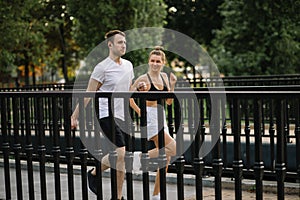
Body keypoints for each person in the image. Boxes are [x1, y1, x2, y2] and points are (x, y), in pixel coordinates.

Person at [71, 30, 134, 200]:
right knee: (120, 153)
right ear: (110, 44)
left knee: (122, 156)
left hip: (122, 114)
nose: (123, 45)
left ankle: (116, 194)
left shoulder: (128, 65)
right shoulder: (102, 67)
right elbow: (89, 93)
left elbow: (128, 90)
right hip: (106, 113)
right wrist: (74, 116)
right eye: (120, 42)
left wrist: (139, 87)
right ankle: (96, 175)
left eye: (125, 42)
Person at [130, 46, 177, 200]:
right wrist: (140, 112)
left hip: (160, 115)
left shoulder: (164, 76)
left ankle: (156, 195)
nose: (155, 63)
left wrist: (172, 84)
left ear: (163, 63)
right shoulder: (143, 78)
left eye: (158, 61)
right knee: (173, 148)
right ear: (148, 62)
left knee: (166, 158)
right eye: (152, 61)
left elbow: (169, 101)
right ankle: (138, 158)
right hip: (149, 117)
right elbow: (128, 97)